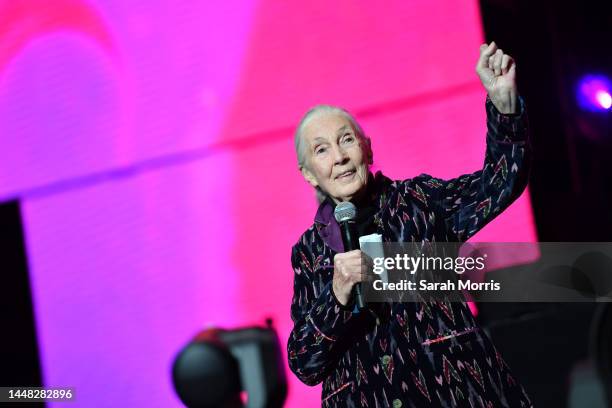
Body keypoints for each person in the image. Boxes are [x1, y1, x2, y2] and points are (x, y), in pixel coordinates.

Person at [287, 42, 534, 407]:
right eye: (321, 150)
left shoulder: (418, 202)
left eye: (346, 140)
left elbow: (499, 183)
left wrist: (504, 107)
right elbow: (305, 364)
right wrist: (336, 295)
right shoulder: (310, 253)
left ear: (367, 150)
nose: (339, 157)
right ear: (309, 174)